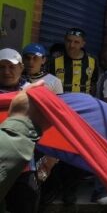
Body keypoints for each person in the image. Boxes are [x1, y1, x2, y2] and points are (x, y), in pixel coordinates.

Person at [0, 83, 48, 212]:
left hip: (25, 173)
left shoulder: (31, 90)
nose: (7, 72)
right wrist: (21, 117)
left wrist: (48, 163)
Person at [52, 28, 99, 94]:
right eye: (69, 41)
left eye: (76, 42)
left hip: (83, 100)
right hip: (60, 100)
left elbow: (93, 83)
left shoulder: (92, 60)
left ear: (83, 44)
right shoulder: (54, 59)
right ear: (65, 41)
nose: (72, 45)